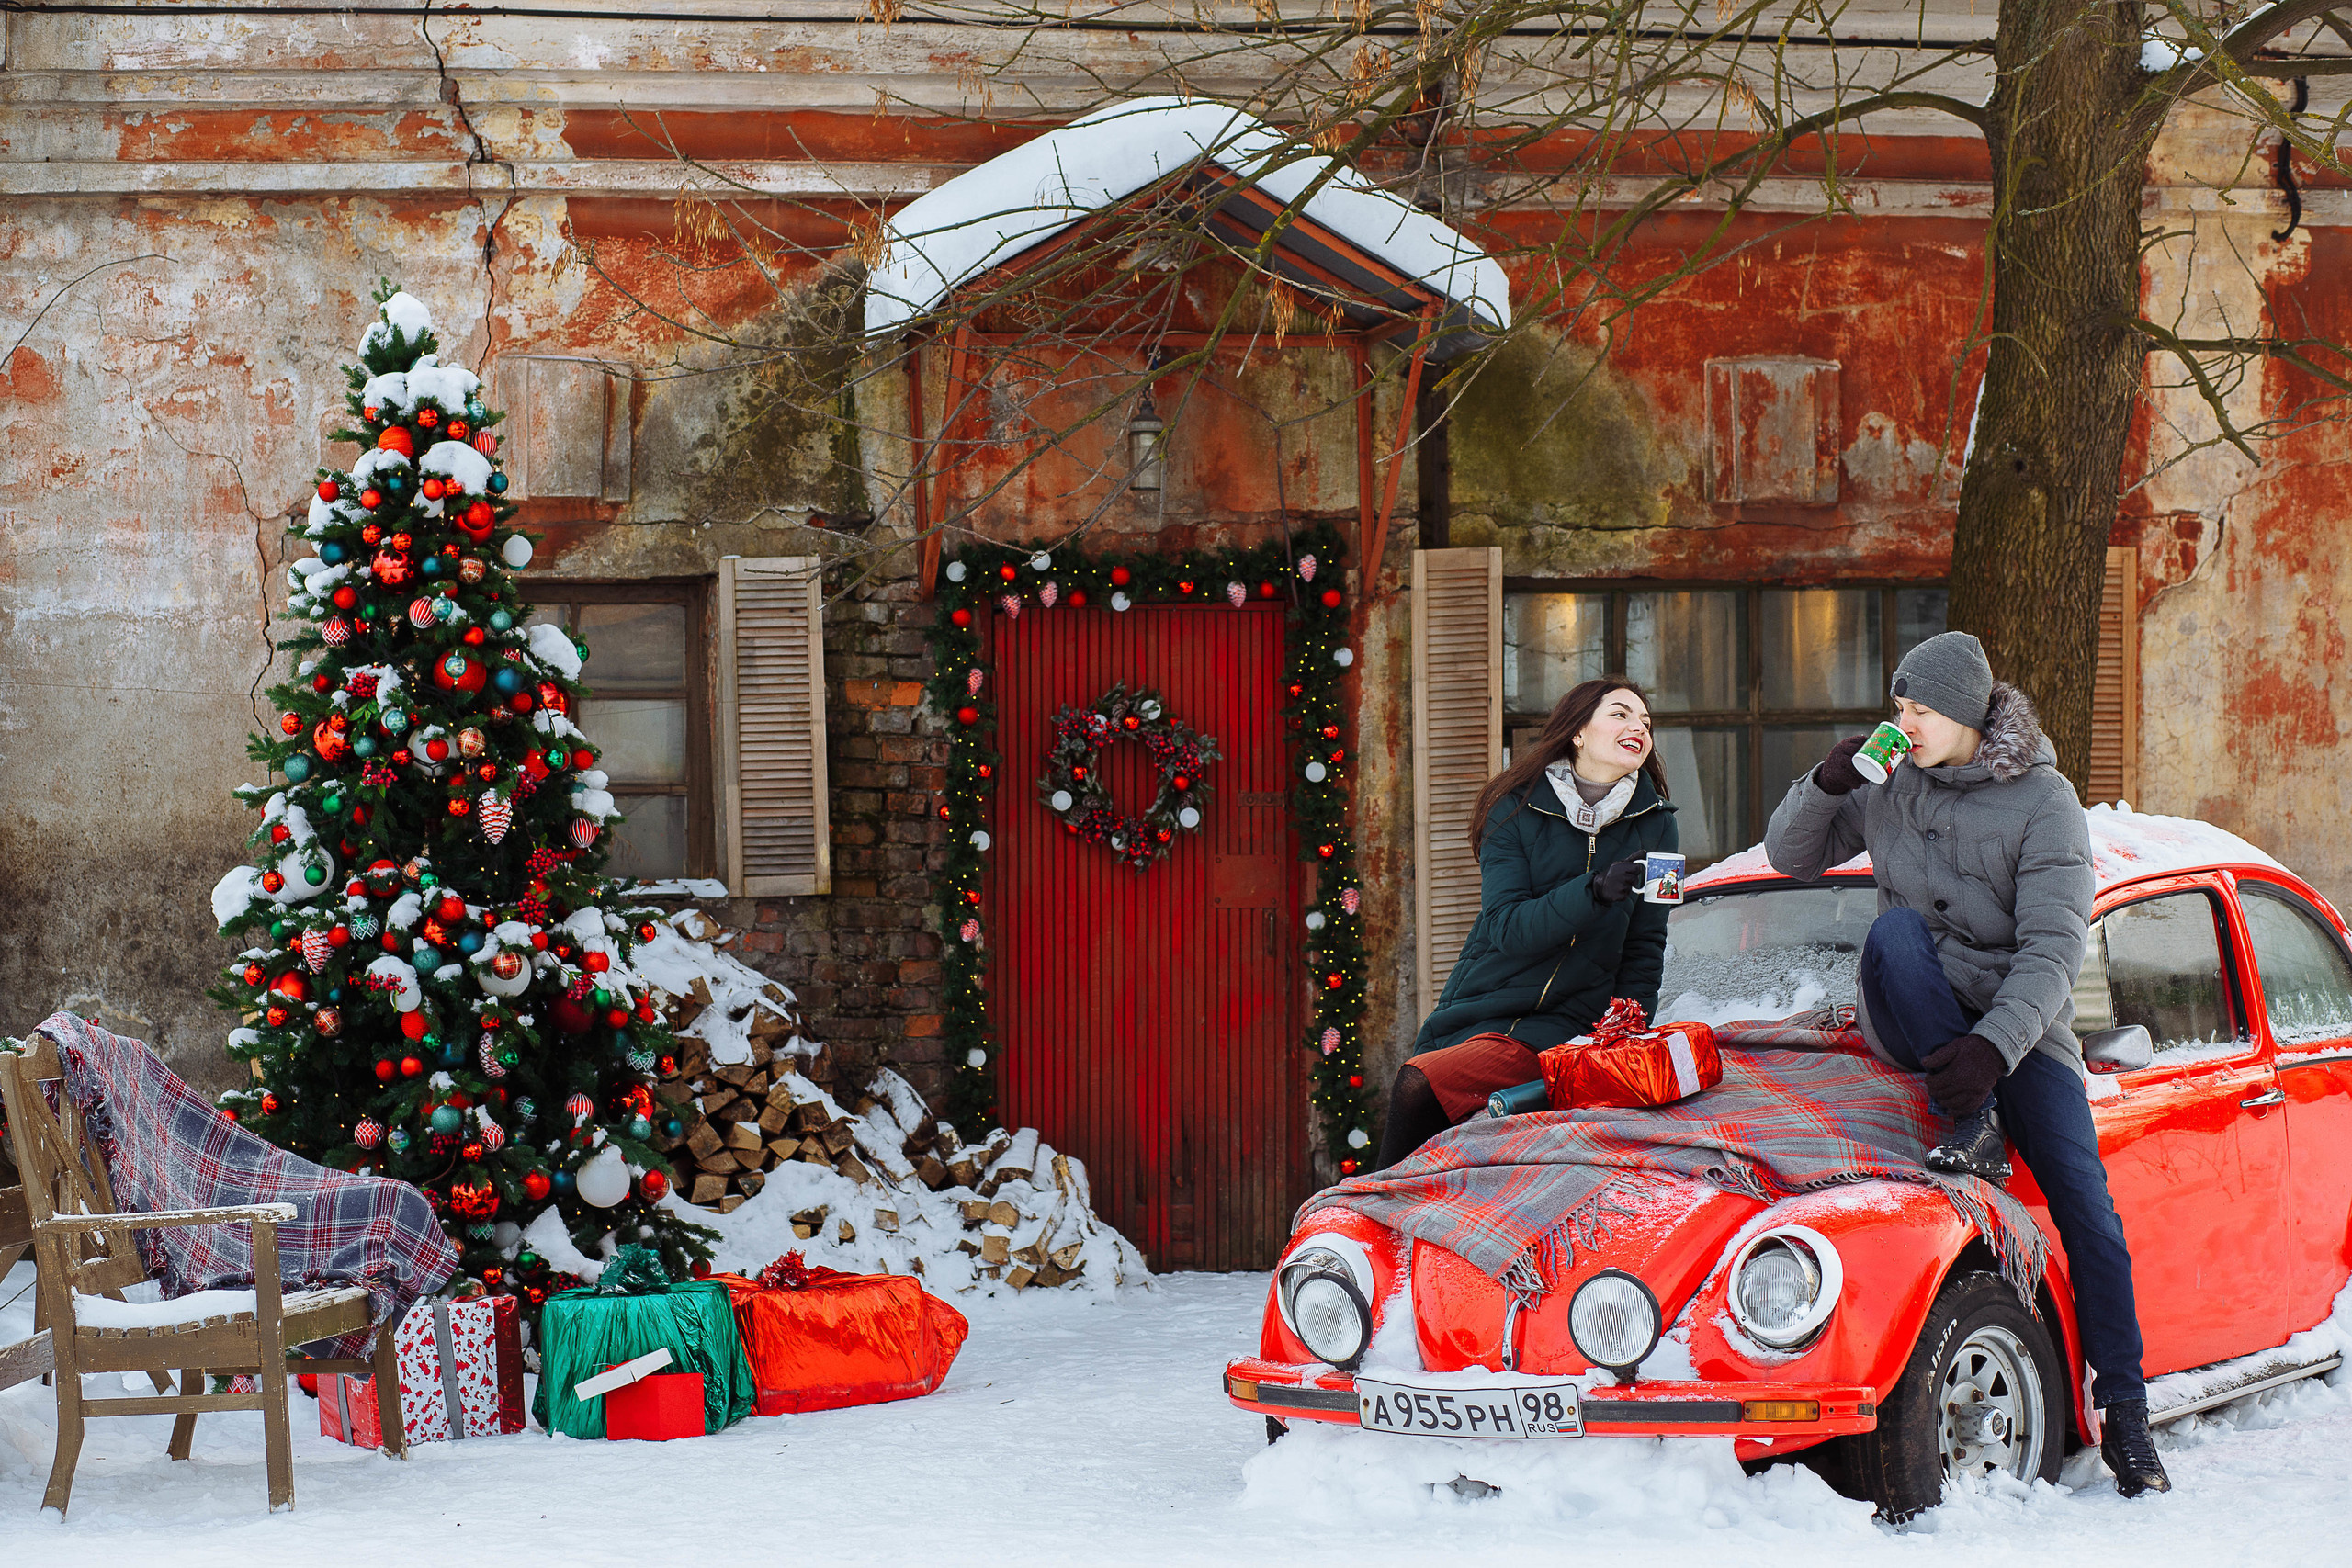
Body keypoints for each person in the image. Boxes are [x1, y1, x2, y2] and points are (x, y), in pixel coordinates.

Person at [1763, 630, 2170, 1499]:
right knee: (1895, 931)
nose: (1899, 721)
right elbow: (1788, 857)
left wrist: (1994, 1049)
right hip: (1913, 1004)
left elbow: (2056, 945)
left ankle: (2128, 1417)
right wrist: (1827, 782)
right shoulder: (1886, 781)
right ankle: (1967, 1123)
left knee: (2088, 1210)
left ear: (1963, 713)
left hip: (2019, 1028)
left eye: (1915, 710)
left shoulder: (2045, 799)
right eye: (1898, 706)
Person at [1374, 678, 1677, 1168]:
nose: (1638, 727)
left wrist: (1629, 1031)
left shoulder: (1660, 823)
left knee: (1423, 1085)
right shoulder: (1514, 808)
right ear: (1577, 731)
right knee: (1419, 1084)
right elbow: (1506, 927)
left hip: (1573, 1024)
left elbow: (1648, 941)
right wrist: (1592, 891)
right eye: (1620, 714)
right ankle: (1369, 1211)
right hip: (1484, 1007)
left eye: (1646, 721)